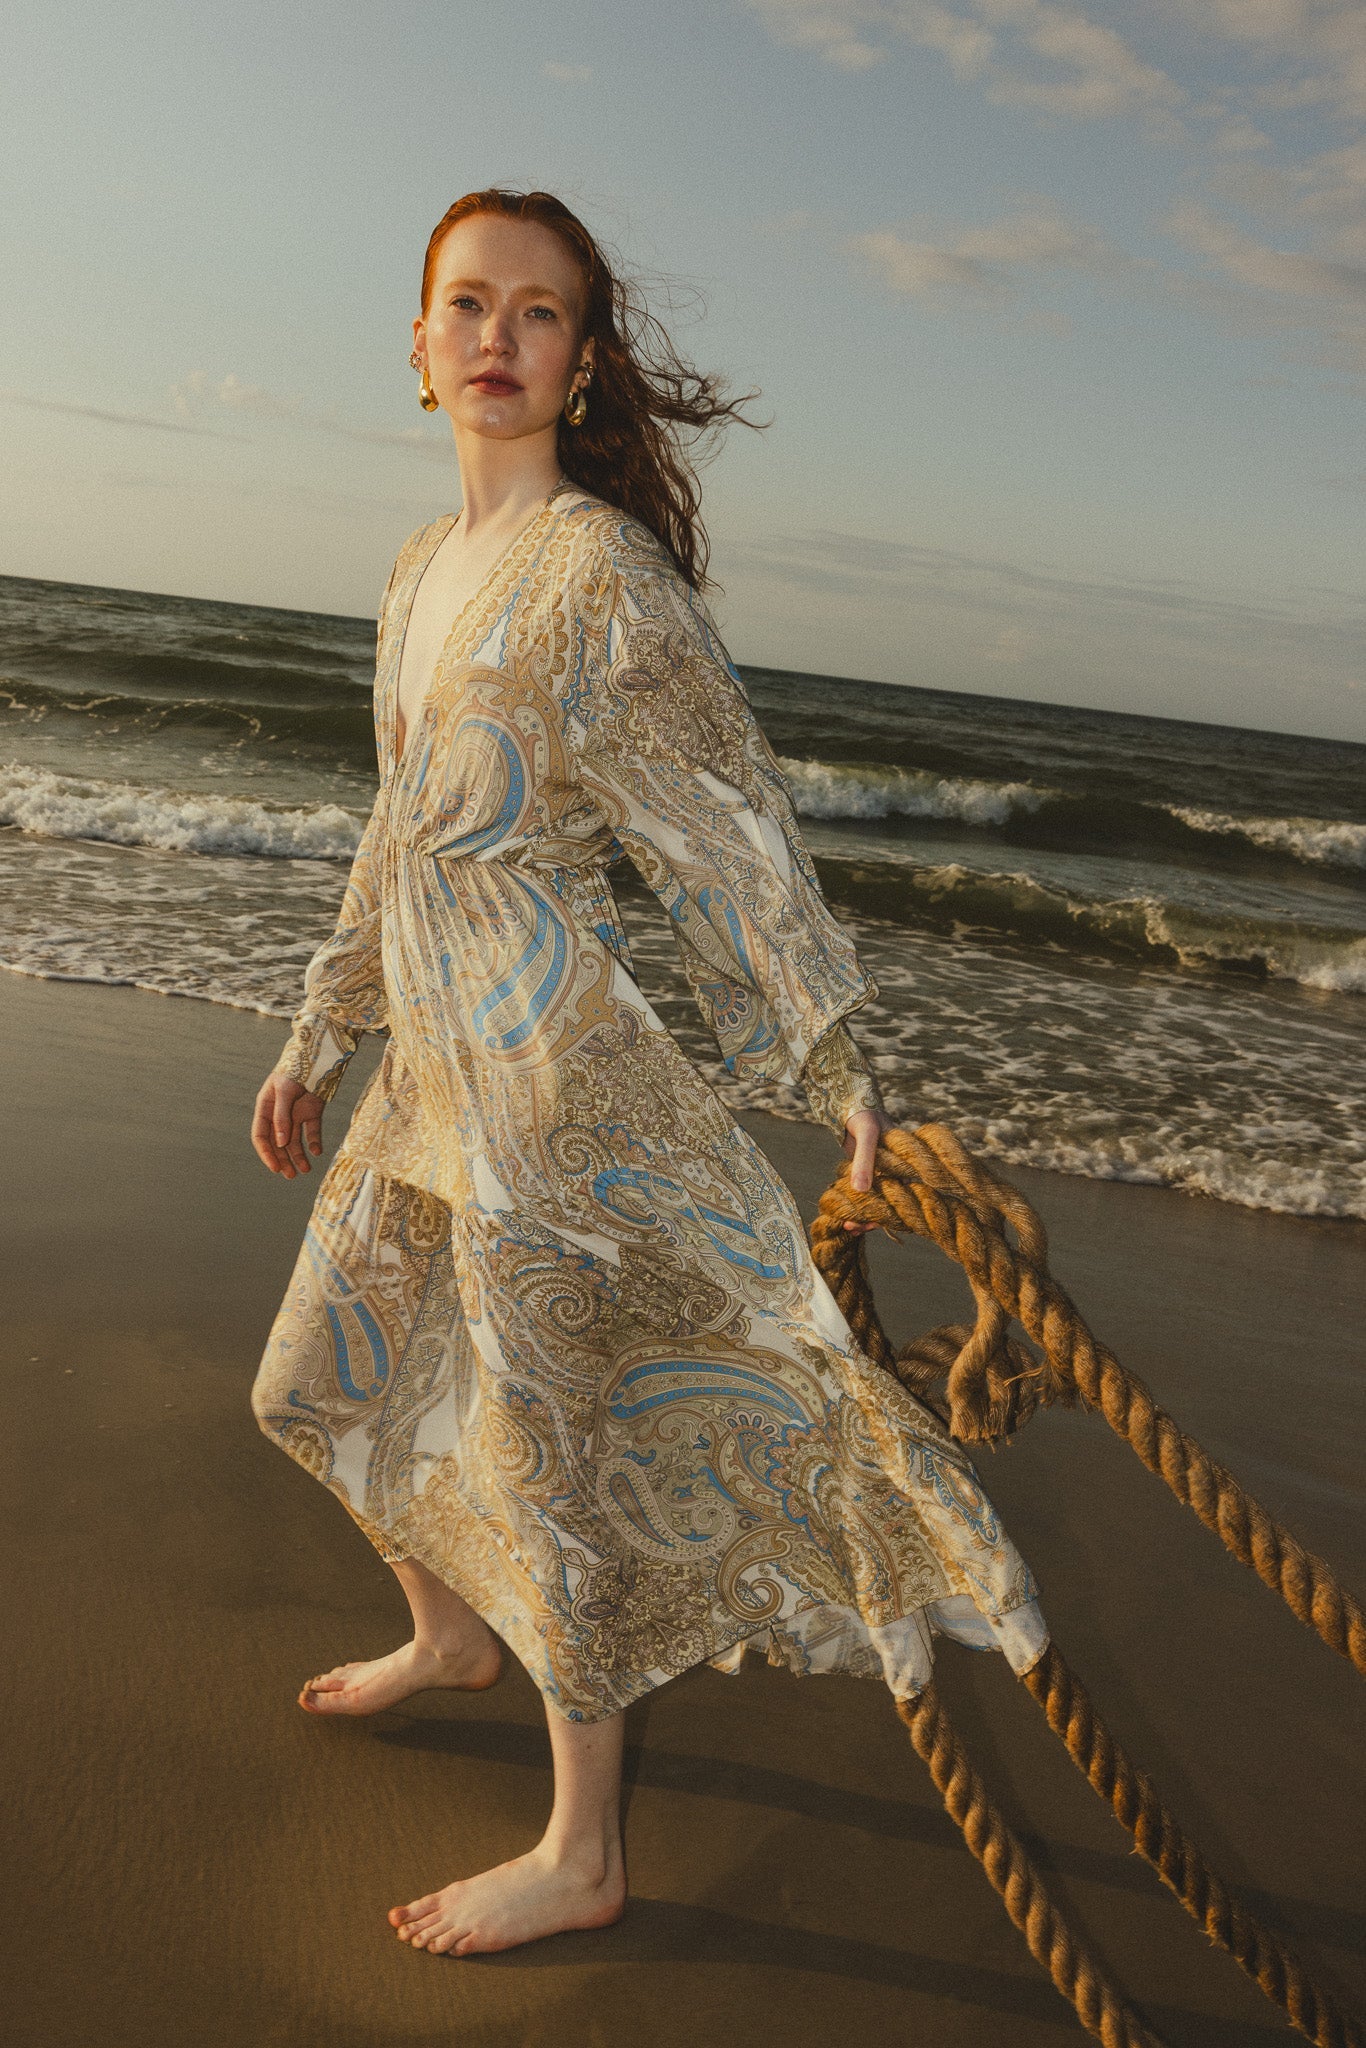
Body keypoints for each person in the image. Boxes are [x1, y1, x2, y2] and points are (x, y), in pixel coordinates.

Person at [250, 187, 1047, 1959]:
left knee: (547, 1467)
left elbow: (719, 819)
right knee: (315, 1381)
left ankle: (582, 1848)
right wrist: (322, 1029)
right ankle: (449, 1634)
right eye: (469, 303)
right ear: (418, 342)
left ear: (583, 361)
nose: (497, 336)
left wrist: (827, 1053)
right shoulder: (417, 567)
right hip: (431, 1068)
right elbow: (395, 834)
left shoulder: (600, 571)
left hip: (548, 1083)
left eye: (538, 312)